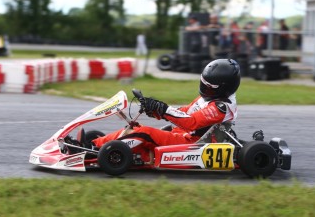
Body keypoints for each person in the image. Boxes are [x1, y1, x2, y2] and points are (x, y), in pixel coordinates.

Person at [92, 59, 241, 152]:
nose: (204, 89)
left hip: (193, 144)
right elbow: (185, 112)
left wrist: (163, 109)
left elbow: (191, 122)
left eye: (209, 86)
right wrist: (156, 111)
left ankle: (99, 149)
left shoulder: (221, 107)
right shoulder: (210, 98)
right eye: (204, 84)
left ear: (223, 87)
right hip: (183, 134)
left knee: (145, 133)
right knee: (136, 129)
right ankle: (94, 143)